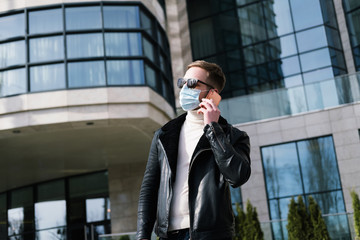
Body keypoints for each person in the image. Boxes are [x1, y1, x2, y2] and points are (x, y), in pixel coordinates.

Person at [136, 60, 251, 240]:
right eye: (182, 82)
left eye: (192, 83)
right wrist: (142, 235)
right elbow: (149, 187)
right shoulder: (164, 135)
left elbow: (237, 176)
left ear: (212, 93)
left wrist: (213, 128)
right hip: (168, 235)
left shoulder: (234, 137)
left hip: (210, 236)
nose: (184, 89)